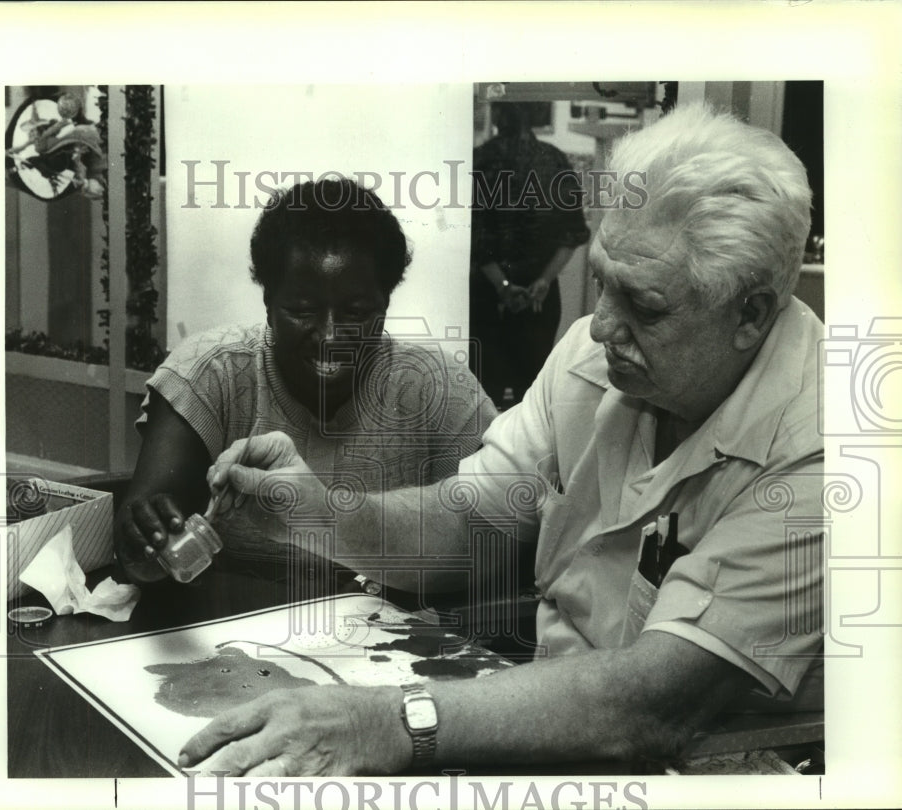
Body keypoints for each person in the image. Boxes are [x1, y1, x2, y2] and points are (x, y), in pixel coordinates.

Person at [177, 103, 824, 775]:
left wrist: (392, 721)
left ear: (749, 314)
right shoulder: (591, 359)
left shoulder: (825, 451)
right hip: (562, 731)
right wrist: (325, 514)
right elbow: (468, 518)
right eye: (601, 283)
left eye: (644, 306)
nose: (600, 327)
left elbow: (656, 704)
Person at [114, 178, 497, 586]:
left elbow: (497, 541)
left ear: (385, 305)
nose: (330, 336)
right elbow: (145, 548)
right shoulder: (211, 373)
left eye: (356, 311)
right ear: (267, 303)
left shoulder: (438, 389)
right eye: (301, 309)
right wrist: (142, 543)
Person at [470, 101, 591, 406]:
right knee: (533, 398)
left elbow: (474, 235)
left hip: (488, 296)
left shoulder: (481, 159)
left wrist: (503, 286)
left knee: (484, 395)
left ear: (497, 115)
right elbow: (574, 232)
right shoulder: (553, 159)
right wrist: (544, 281)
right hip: (540, 298)